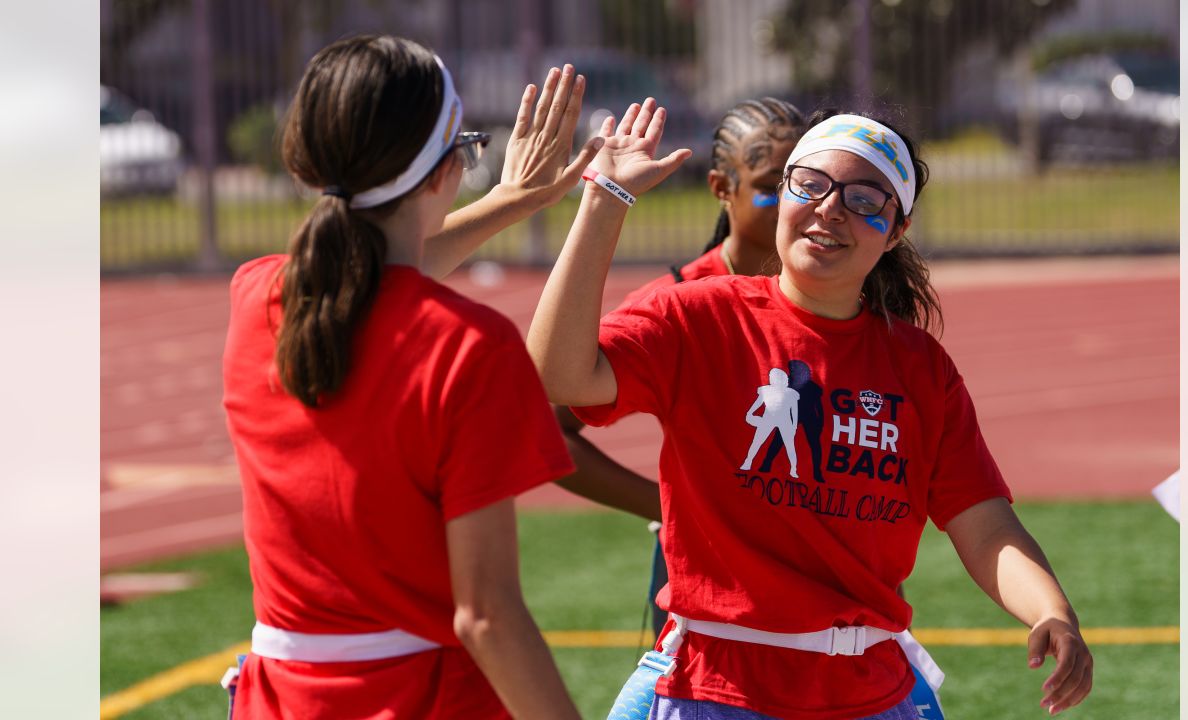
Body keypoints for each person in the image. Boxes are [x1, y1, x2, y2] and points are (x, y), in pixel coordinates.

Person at [528, 99, 1094, 718]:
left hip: (869, 691)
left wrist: (1051, 610)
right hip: (711, 686)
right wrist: (604, 198)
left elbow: (983, 524)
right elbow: (556, 376)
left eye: (864, 199)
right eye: (811, 184)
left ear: (896, 229)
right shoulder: (697, 316)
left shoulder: (921, 369)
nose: (829, 209)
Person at [222, 34, 604, 719]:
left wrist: (514, 199)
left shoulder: (257, 299)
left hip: (279, 699)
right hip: (422, 699)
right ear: (441, 173)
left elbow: (368, 281)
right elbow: (485, 617)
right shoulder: (471, 345)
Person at [551, 98, 808, 637]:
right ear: (721, 187)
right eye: (769, 184)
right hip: (707, 593)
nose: (790, 199)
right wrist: (673, 506)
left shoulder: (842, 296)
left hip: (823, 571)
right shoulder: (680, 299)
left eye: (802, 179)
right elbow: (544, 430)